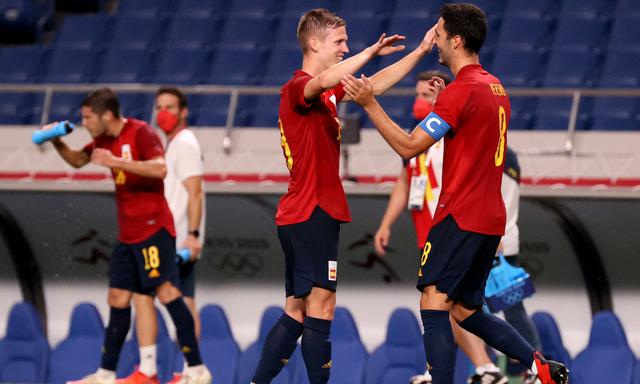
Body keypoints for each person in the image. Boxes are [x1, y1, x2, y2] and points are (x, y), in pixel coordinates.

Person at [342, 3, 568, 384]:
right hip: (489, 219)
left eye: (440, 35)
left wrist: (369, 103)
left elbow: (409, 146)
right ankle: (539, 364)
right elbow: (471, 125)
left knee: (432, 302)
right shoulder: (494, 87)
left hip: (458, 215)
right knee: (465, 310)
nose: (436, 43)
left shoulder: (460, 94)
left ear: (457, 40)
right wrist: (450, 97)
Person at [251, 8, 439, 384]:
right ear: (314, 43)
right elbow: (325, 79)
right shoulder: (298, 87)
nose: (345, 48)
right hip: (312, 210)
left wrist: (419, 52)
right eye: (339, 42)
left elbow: (375, 86)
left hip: (303, 212)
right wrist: (368, 51)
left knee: (297, 310)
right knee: (322, 305)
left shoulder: (327, 92)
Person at [46, 88, 211, 384]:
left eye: (88, 118)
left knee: (168, 294)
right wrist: (55, 140)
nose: (84, 123)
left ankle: (197, 369)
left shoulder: (141, 132)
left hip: (153, 229)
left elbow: (160, 169)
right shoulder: (102, 139)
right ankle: (106, 374)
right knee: (119, 297)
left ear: (106, 115)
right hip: (128, 234)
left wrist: (116, 162)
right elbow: (77, 160)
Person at [374, 71, 506, 384]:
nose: (419, 102)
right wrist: (386, 224)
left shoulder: (448, 129)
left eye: (425, 95)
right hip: (434, 231)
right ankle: (478, 368)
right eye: (417, 95)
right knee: (447, 307)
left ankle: (494, 367)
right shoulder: (420, 131)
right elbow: (406, 180)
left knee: (481, 306)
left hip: (459, 228)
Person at [116, 87, 206, 384]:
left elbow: (195, 193)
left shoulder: (185, 143)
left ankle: (154, 370)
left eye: (170, 107)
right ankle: (184, 371)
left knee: (146, 298)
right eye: (159, 107)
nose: (163, 113)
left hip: (175, 239)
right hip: (169, 236)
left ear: (183, 112)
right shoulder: (171, 145)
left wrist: (193, 236)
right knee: (179, 300)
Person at [496, 147, 543, 384]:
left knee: (508, 309)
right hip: (505, 239)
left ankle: (536, 369)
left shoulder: (489, 151)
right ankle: (533, 368)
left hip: (494, 242)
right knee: (512, 308)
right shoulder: (511, 154)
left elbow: (491, 197)